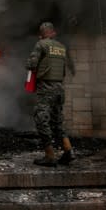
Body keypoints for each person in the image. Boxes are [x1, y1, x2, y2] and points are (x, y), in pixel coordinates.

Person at [25, 22, 76, 167]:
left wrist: (29, 64)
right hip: (59, 88)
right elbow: (64, 71)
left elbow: (31, 64)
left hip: (46, 88)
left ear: (41, 34)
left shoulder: (41, 44)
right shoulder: (61, 47)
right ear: (53, 32)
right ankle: (68, 151)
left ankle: (49, 155)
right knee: (57, 121)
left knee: (42, 120)